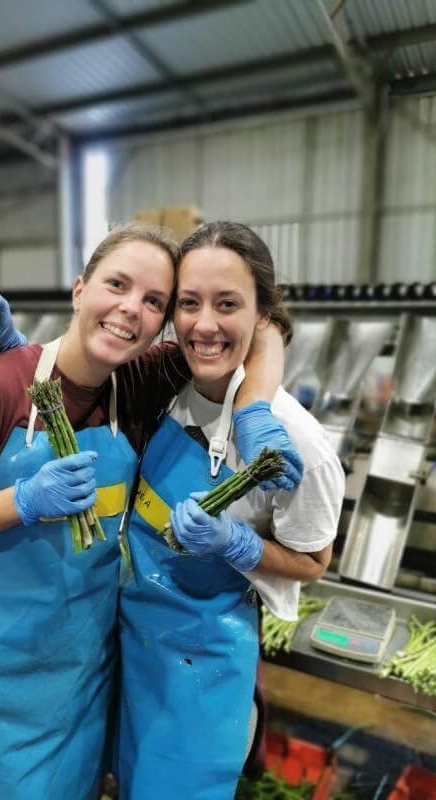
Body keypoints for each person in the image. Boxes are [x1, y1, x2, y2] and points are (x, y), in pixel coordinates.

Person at [0, 223, 299, 799]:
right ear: (80, 289)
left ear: (162, 323)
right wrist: (22, 501)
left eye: (154, 301)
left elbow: (265, 327)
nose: (131, 309)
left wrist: (255, 409)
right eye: (117, 285)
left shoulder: (139, 381)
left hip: (78, 694)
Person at [117, 222, 345, 799]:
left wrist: (236, 545)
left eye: (228, 304)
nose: (205, 324)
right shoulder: (171, 379)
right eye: (189, 304)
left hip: (201, 669)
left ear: (261, 313)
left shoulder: (299, 445)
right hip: (130, 641)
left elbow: (315, 559)